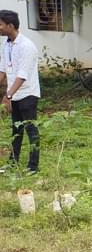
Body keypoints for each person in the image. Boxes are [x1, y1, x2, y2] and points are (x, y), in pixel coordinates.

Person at [0, 10, 41, 173]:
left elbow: (22, 75)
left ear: (10, 25)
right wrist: (9, 94)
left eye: (1, 25)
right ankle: (12, 163)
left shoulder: (27, 46)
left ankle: (33, 167)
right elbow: (3, 71)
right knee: (16, 130)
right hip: (14, 93)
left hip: (27, 94)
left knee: (31, 129)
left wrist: (8, 95)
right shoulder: (6, 44)